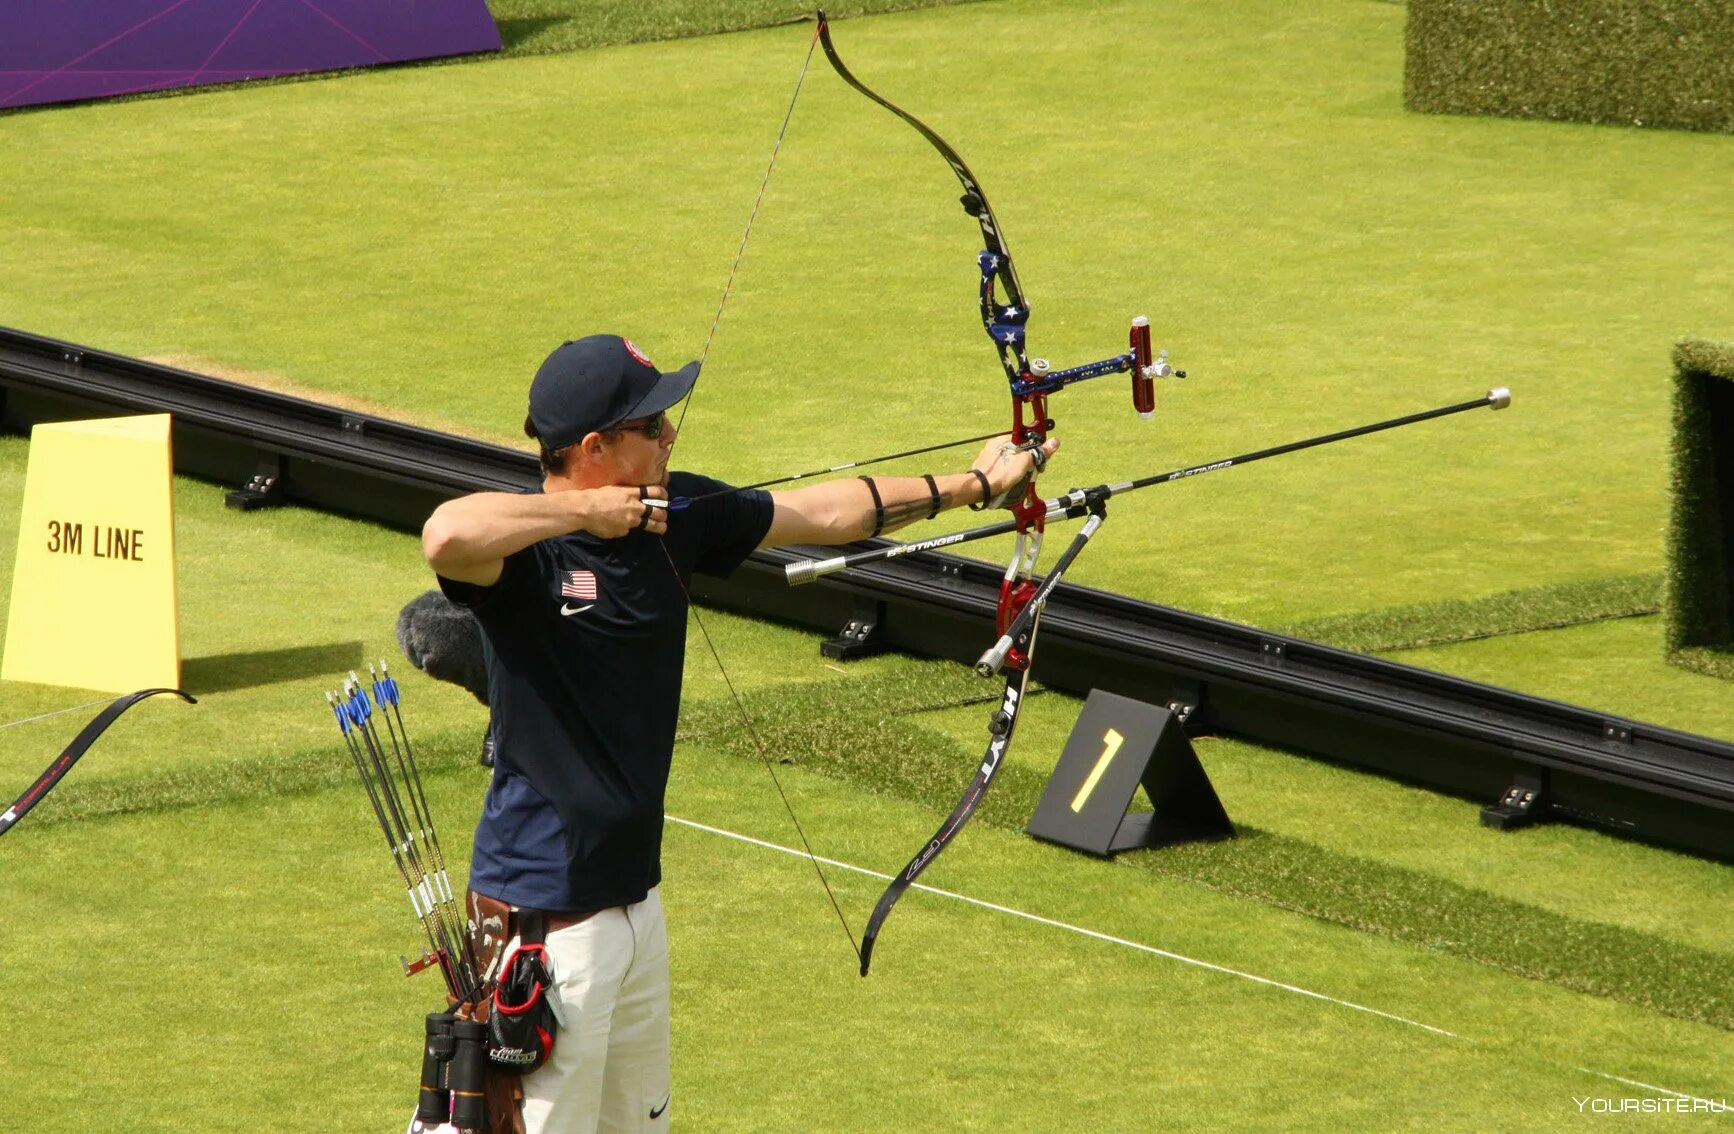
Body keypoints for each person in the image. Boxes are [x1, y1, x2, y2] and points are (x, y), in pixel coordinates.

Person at [420, 333, 1055, 1133]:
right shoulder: (524, 559)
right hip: (544, 926)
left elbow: (826, 512)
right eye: (651, 427)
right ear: (593, 448)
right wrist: (585, 512)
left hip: (635, 909)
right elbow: (445, 534)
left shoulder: (673, 518)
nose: (669, 436)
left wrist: (975, 484)